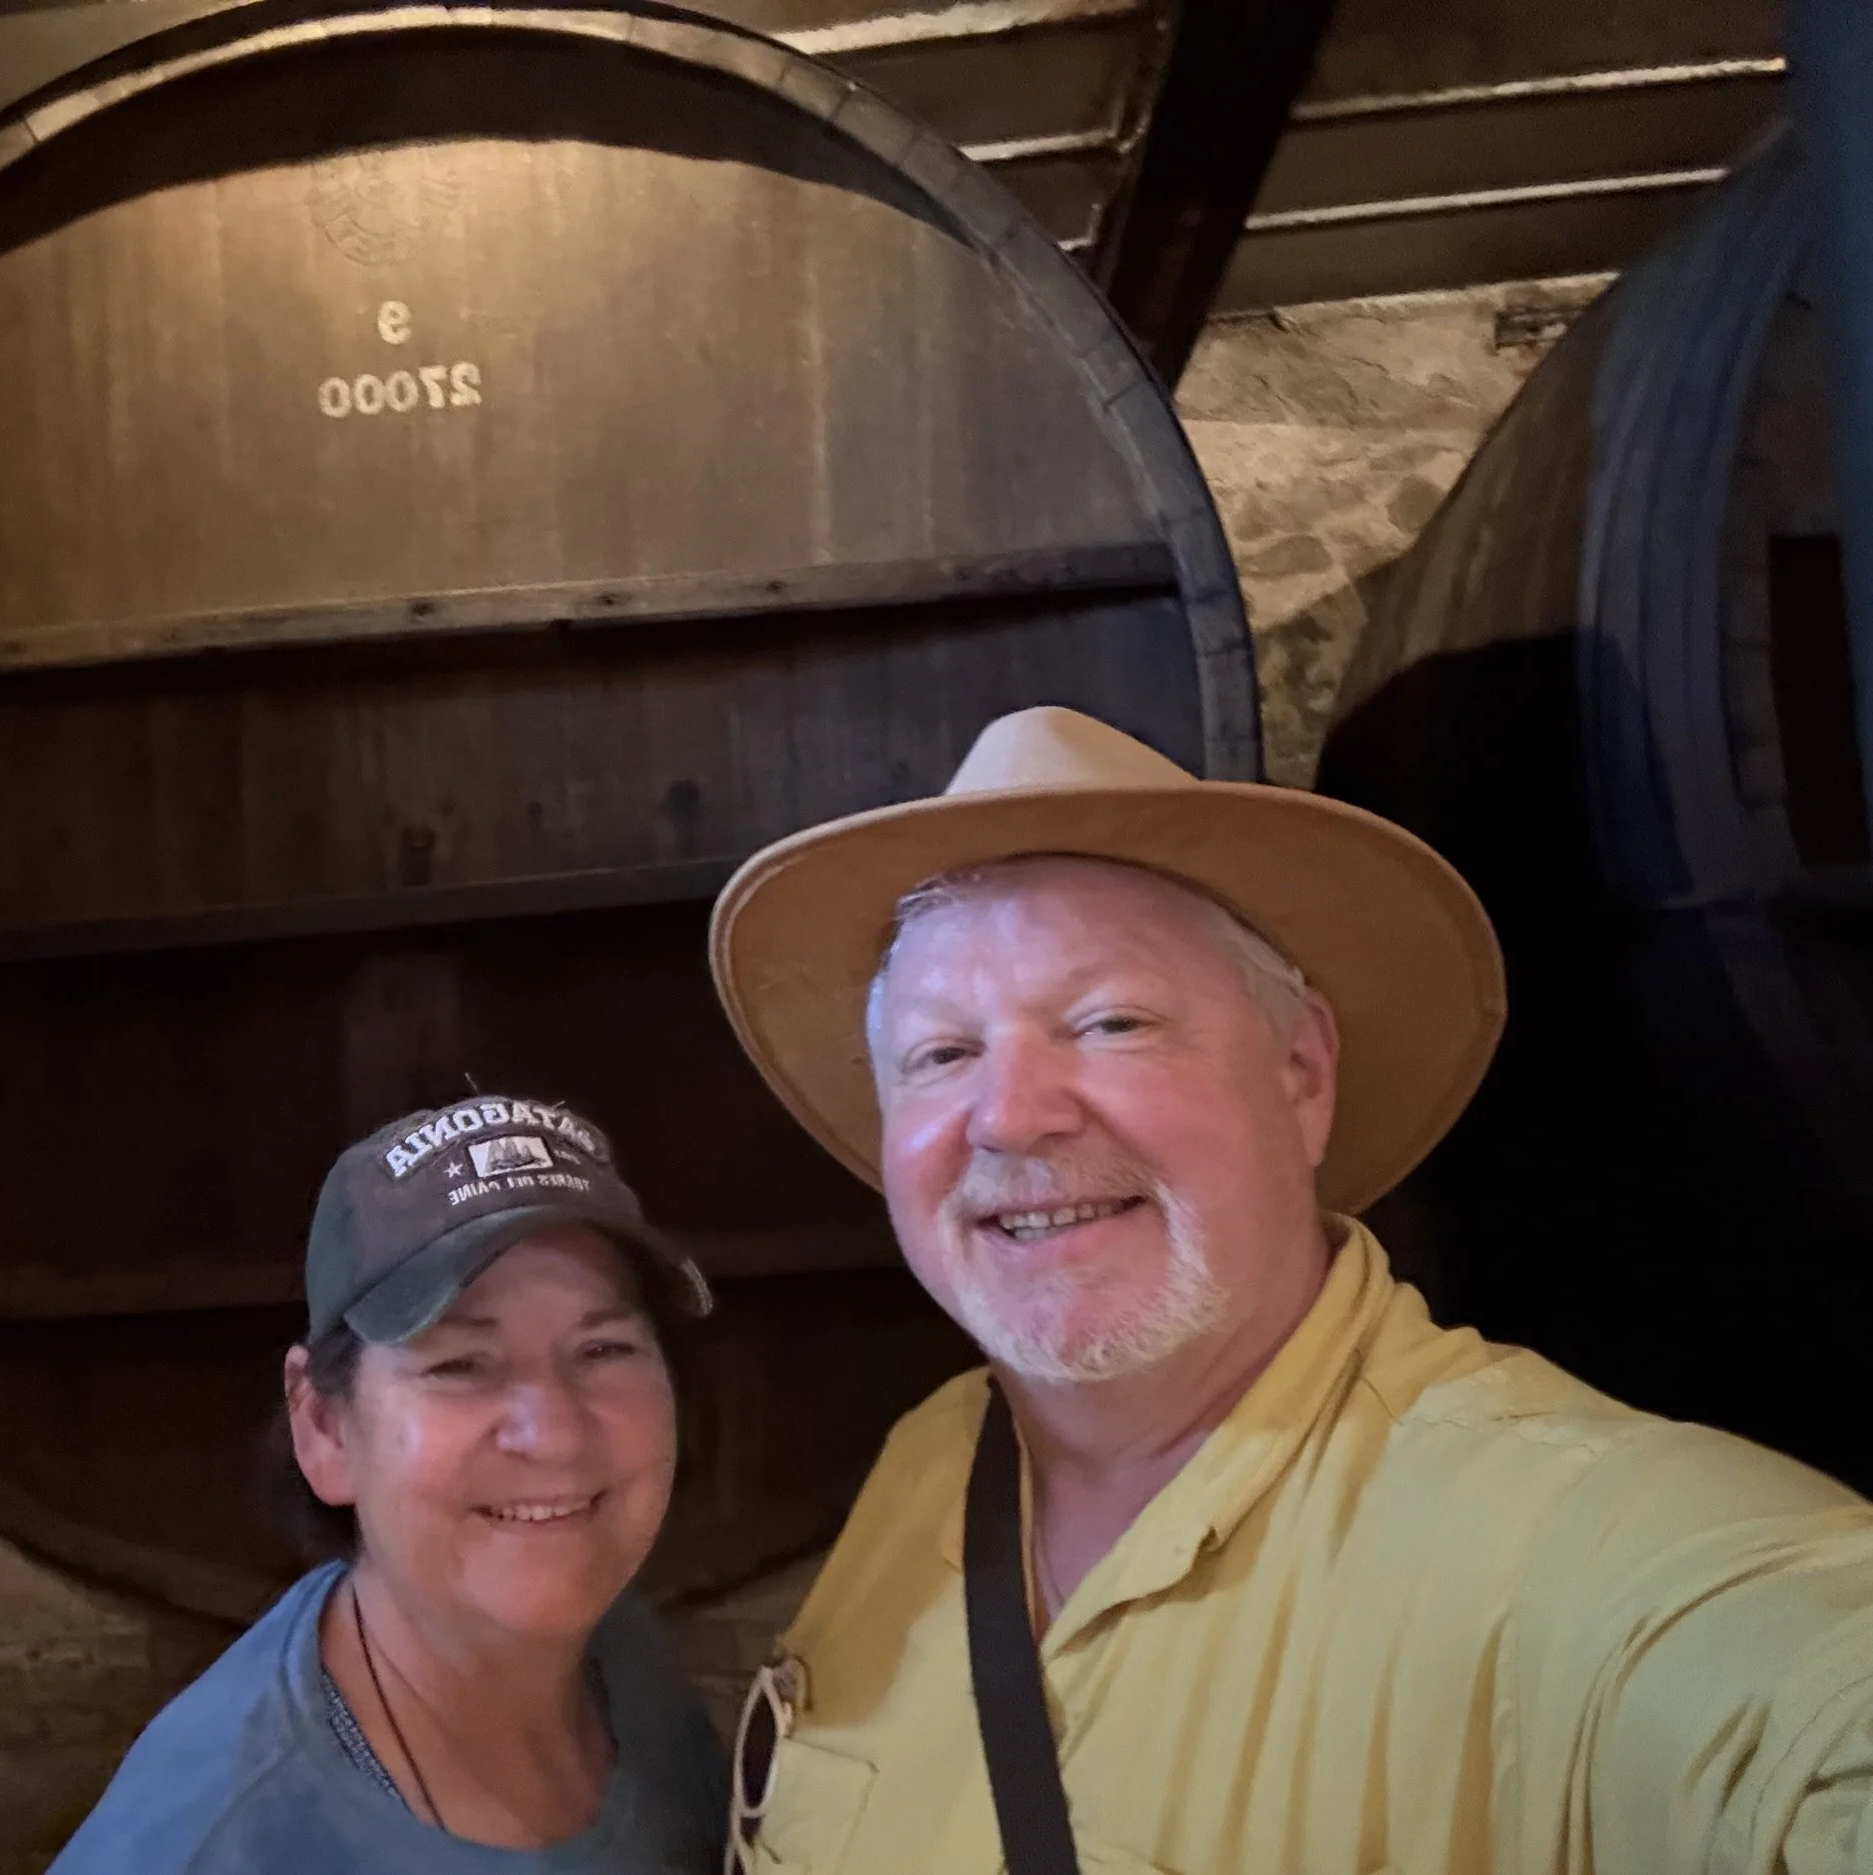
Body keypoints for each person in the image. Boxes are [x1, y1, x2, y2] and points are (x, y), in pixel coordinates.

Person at [706, 706, 1873, 1875]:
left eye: (1111, 1022)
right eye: (940, 1055)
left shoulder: (1565, 1549)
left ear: (1300, 1072)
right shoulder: (934, 1459)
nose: (1010, 1114)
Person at [50, 1096, 729, 1873]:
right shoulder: (216, 1839)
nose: (555, 1433)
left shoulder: (622, 1658)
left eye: (604, 1348)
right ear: (326, 1427)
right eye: (460, 1364)